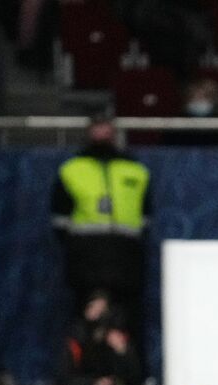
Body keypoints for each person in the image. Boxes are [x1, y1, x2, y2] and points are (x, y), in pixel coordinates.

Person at [51, 113, 152, 355]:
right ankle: (83, 377)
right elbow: (59, 220)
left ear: (114, 131)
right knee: (86, 318)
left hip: (126, 258)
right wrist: (79, 247)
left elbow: (147, 218)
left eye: (106, 127)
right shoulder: (72, 169)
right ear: (88, 131)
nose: (102, 132)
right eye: (97, 127)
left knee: (128, 318)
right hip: (86, 259)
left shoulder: (136, 170)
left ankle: (130, 377)